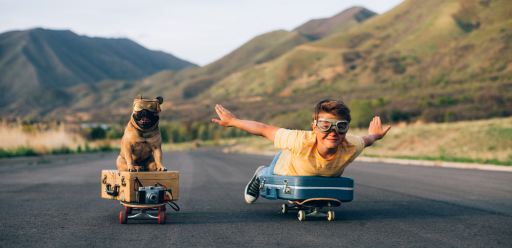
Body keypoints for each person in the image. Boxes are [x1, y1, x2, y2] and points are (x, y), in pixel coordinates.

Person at [212, 99, 391, 204]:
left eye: (340, 126)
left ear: (346, 128)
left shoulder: (352, 145)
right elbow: (263, 129)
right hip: (285, 166)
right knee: (272, 172)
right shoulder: (299, 140)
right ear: (314, 127)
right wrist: (234, 122)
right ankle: (260, 175)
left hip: (313, 174)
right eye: (325, 126)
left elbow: (368, 139)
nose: (333, 132)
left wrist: (375, 135)